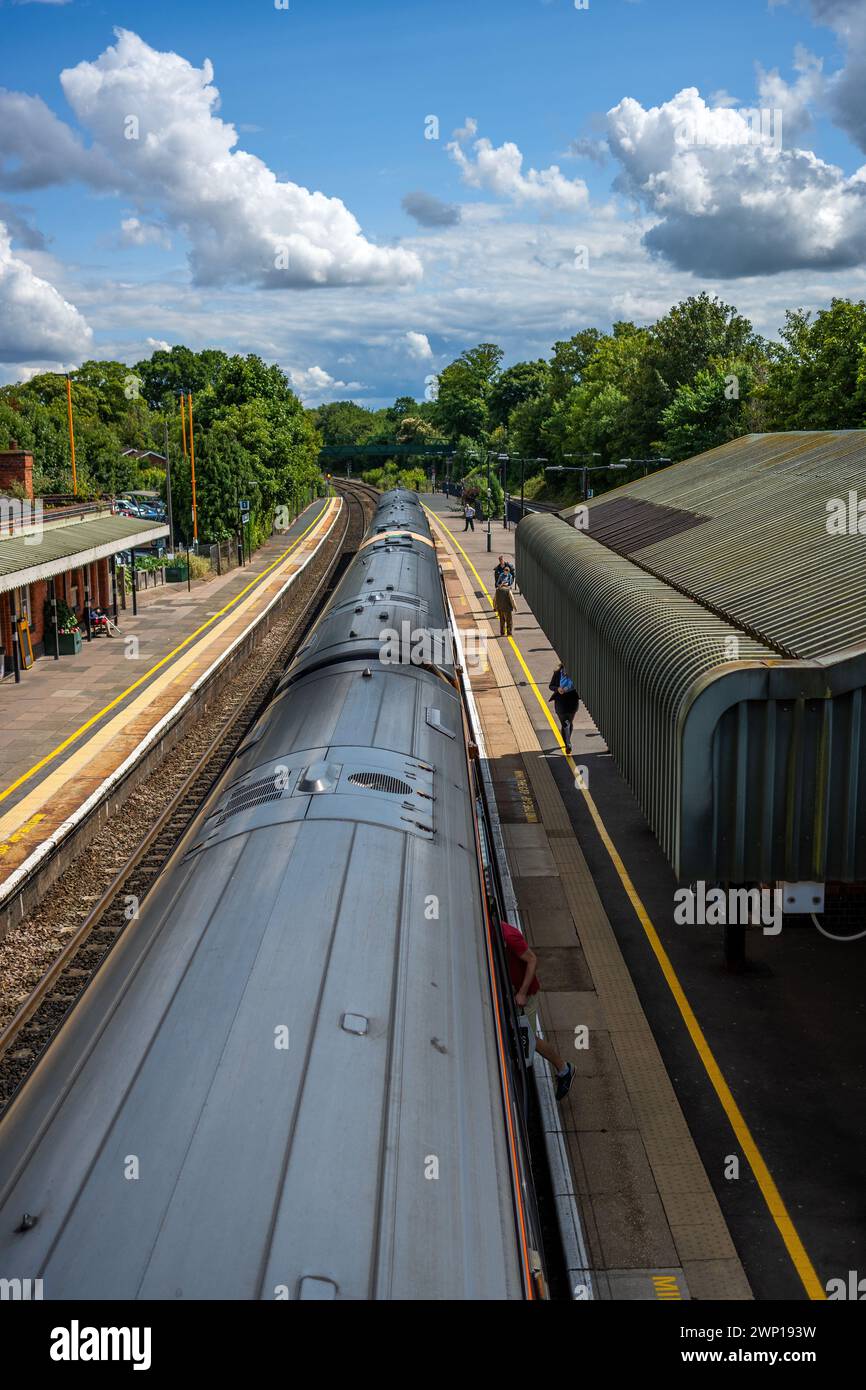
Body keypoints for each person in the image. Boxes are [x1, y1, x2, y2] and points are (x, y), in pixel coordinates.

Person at [501, 920, 575, 1102]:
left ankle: (565, 1069)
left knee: (530, 1038)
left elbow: (533, 960)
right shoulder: (490, 931)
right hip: (512, 989)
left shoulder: (509, 936)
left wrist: (522, 992)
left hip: (525, 994)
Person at [549, 663, 579, 754]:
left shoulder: (577, 673)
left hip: (572, 701)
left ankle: (567, 741)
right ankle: (567, 744)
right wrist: (558, 689)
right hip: (560, 702)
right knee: (564, 723)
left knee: (569, 722)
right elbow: (551, 686)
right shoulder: (557, 673)